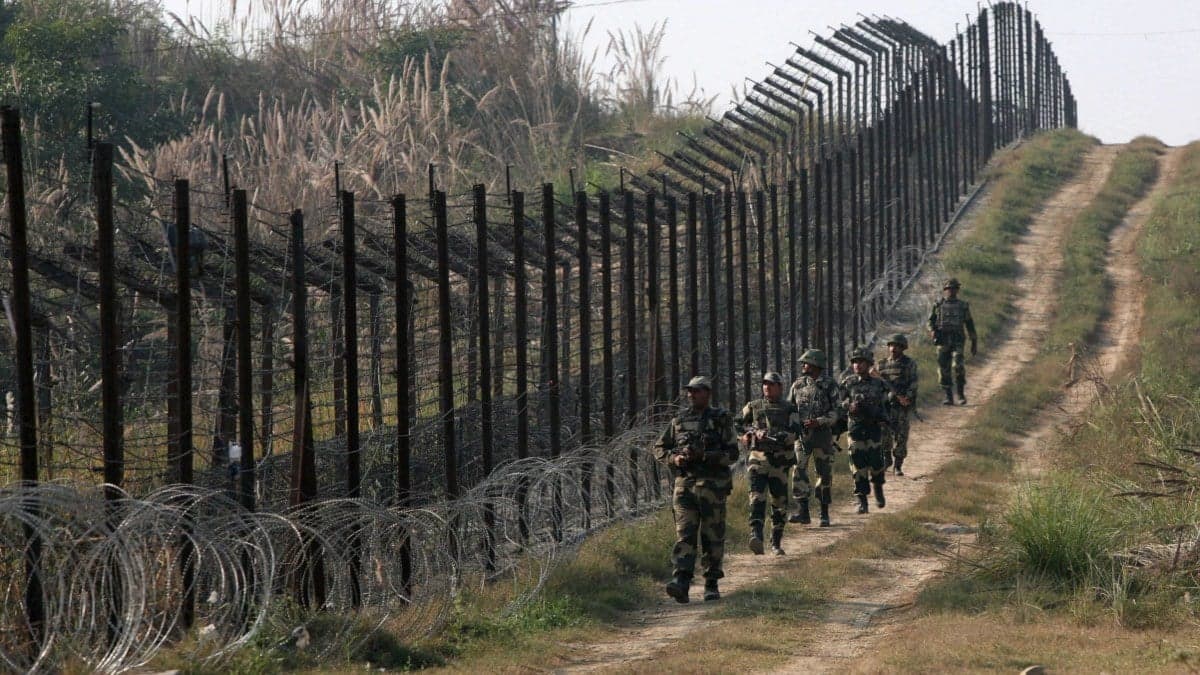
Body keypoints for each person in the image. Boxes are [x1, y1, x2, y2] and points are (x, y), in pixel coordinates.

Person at [653, 376, 739, 603]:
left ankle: (711, 583)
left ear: (707, 393)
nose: (691, 395)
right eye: (689, 391)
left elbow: (732, 454)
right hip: (685, 487)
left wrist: (705, 456)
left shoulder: (721, 419)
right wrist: (675, 459)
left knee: (712, 536)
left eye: (697, 391)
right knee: (685, 535)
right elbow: (659, 448)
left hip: (713, 488)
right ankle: (681, 581)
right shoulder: (679, 420)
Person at [736, 372, 799, 556]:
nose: (767, 387)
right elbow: (737, 424)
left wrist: (775, 436)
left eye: (771, 384)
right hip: (758, 459)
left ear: (780, 387)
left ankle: (776, 542)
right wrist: (748, 435)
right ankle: (756, 535)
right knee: (756, 498)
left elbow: (795, 432)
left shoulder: (789, 409)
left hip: (780, 463)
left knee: (779, 503)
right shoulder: (754, 406)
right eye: (765, 384)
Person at [788, 349, 842, 528]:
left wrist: (819, 421)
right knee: (798, 470)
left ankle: (824, 513)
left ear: (815, 364)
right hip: (802, 437)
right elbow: (790, 408)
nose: (803, 366)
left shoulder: (830, 385)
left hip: (822, 436)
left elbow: (837, 411)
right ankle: (803, 512)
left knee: (824, 473)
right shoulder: (797, 385)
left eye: (806, 363)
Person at [841, 347, 890, 514]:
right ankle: (862, 501)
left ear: (868, 364)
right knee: (857, 465)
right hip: (855, 429)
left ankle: (878, 487)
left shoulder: (878, 384)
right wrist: (849, 406)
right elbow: (838, 403)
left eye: (861, 362)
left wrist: (884, 419)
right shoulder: (848, 383)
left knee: (876, 462)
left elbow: (885, 404)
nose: (857, 365)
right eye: (855, 362)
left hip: (873, 428)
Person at [928, 277, 977, 405]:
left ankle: (960, 394)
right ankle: (948, 396)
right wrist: (932, 330)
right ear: (945, 290)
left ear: (957, 290)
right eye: (949, 288)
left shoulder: (962, 306)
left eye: (954, 288)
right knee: (943, 369)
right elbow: (930, 321)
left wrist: (974, 342)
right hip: (942, 340)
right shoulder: (938, 305)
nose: (951, 291)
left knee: (958, 365)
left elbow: (969, 324)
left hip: (957, 340)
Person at [875, 334, 918, 476]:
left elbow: (913, 383)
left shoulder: (909, 363)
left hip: (901, 406)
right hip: (886, 406)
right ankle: (887, 459)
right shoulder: (881, 364)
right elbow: (876, 385)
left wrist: (907, 397)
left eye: (897, 346)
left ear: (903, 348)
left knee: (901, 436)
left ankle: (898, 465)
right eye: (892, 345)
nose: (893, 348)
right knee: (884, 434)